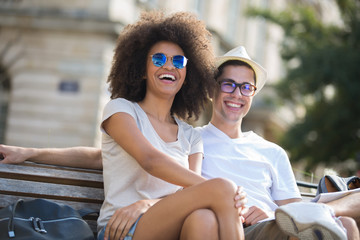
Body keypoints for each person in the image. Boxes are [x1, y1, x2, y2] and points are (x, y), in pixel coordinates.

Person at [1, 46, 359, 239]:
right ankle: (330, 207)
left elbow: (289, 210)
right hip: (138, 227)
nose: (236, 94)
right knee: (213, 198)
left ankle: (332, 208)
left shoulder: (190, 135)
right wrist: (31, 151)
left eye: (246, 87)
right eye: (228, 84)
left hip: (239, 222)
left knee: (205, 219)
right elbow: (125, 158)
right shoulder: (129, 113)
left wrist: (246, 205)